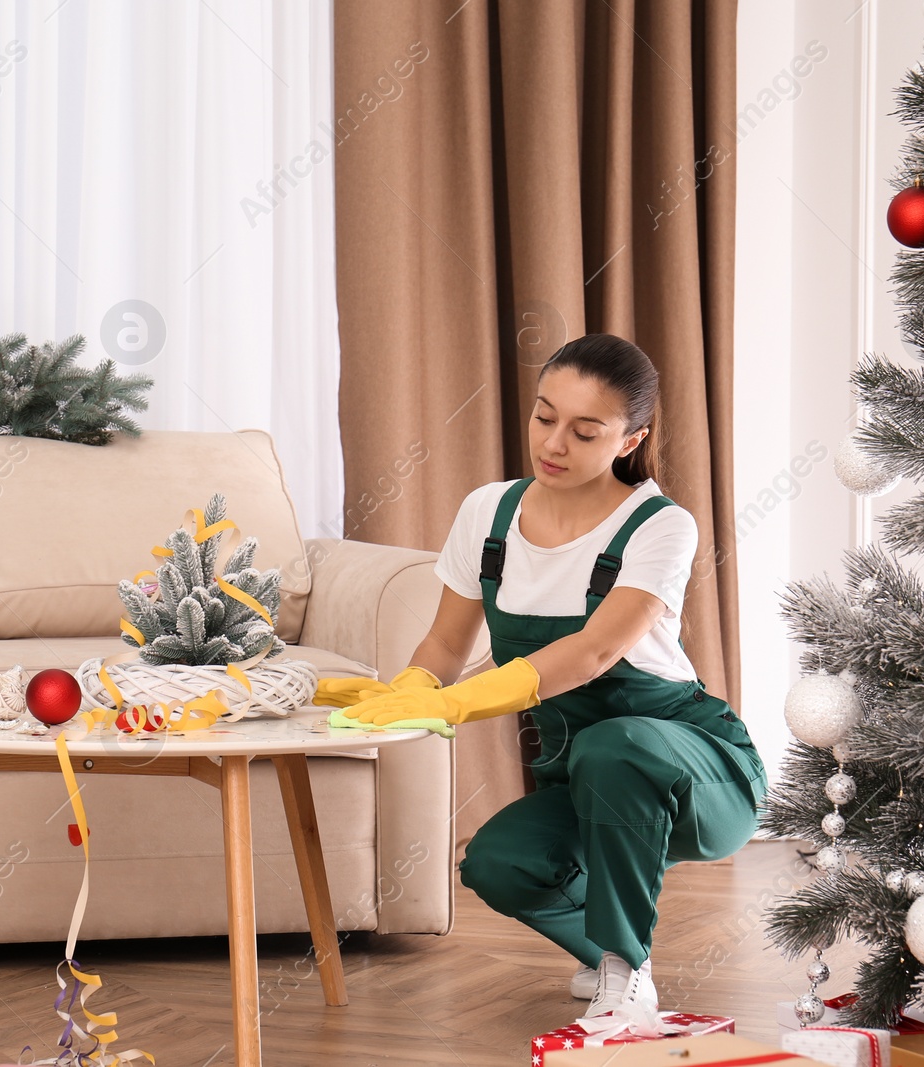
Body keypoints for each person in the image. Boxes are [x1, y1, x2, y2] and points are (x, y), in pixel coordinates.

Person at [316, 333, 767, 1018]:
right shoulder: (490, 514)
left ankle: (626, 969)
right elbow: (443, 640)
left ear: (628, 439)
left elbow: (590, 653)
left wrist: (462, 703)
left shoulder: (659, 525)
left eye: (585, 431)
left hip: (698, 773)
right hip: (589, 777)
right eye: (544, 416)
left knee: (613, 745)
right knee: (499, 862)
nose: (554, 443)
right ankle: (610, 953)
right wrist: (408, 690)